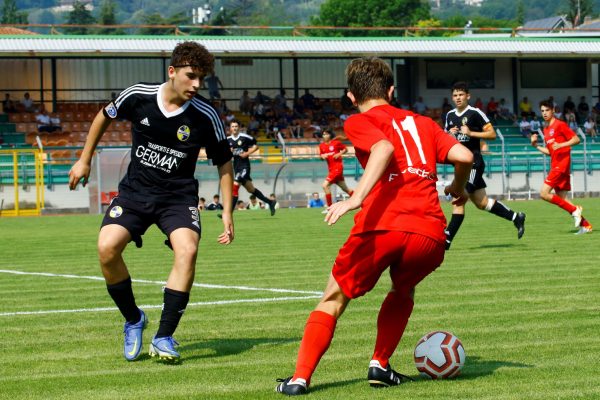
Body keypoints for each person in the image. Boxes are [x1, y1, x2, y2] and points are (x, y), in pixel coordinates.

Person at [275, 56, 473, 396]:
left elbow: (383, 147)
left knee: (333, 299)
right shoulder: (423, 123)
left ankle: (299, 379)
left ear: (352, 97)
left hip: (383, 224)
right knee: (403, 289)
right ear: (392, 90)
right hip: (429, 232)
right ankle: (380, 364)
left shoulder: (359, 121)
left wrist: (354, 199)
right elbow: (465, 157)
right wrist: (458, 187)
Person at [67, 41, 234, 363]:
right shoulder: (139, 95)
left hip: (178, 198)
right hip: (135, 194)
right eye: (191, 76)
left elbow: (224, 165)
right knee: (106, 248)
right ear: (172, 72)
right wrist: (84, 159)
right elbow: (103, 116)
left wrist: (227, 212)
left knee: (187, 250)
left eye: (202, 78)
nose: (197, 85)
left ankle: (164, 337)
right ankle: (133, 319)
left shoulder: (205, 115)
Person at [444, 81, 526, 250]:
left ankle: (447, 239)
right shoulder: (450, 115)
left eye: (461, 95)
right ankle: (516, 217)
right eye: (455, 95)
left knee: (459, 198)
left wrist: (471, 132)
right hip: (460, 164)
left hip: (473, 163)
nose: (458, 98)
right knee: (482, 203)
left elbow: (492, 134)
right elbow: (446, 139)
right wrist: (448, 135)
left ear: (468, 96)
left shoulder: (475, 113)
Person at [531, 100, 592, 234]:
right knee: (563, 198)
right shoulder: (546, 130)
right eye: (542, 111)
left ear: (553, 110)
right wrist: (536, 146)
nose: (545, 113)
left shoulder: (560, 125)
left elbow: (576, 139)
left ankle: (575, 210)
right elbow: (550, 152)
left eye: (547, 110)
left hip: (561, 165)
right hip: (556, 164)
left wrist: (561, 145)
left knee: (544, 193)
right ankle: (586, 225)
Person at [227, 119, 276, 215]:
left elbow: (256, 146)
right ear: (230, 128)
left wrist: (247, 153)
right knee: (251, 190)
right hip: (236, 167)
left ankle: (229, 213)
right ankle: (270, 202)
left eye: (236, 126)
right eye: (233, 126)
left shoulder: (244, 137)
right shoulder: (228, 140)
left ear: (239, 128)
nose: (235, 128)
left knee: (235, 185)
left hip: (245, 167)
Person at [319, 129, 354, 209]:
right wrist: (322, 157)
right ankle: (362, 202)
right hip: (331, 169)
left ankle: (329, 208)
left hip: (337, 168)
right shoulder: (321, 146)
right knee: (345, 189)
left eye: (326, 134)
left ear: (330, 135)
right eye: (323, 134)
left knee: (325, 185)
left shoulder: (336, 143)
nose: (324, 136)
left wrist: (339, 153)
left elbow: (345, 149)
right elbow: (321, 156)